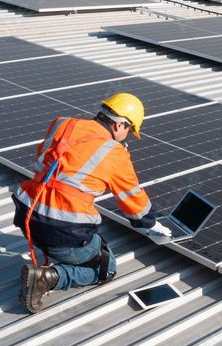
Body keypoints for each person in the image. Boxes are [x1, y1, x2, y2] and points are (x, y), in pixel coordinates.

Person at [13, 93, 172, 314]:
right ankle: (48, 278)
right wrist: (152, 224)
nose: (126, 138)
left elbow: (51, 162)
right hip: (61, 231)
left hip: (27, 215)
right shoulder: (114, 153)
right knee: (107, 268)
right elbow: (133, 201)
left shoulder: (62, 124)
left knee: (97, 242)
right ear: (119, 125)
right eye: (128, 131)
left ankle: (56, 260)